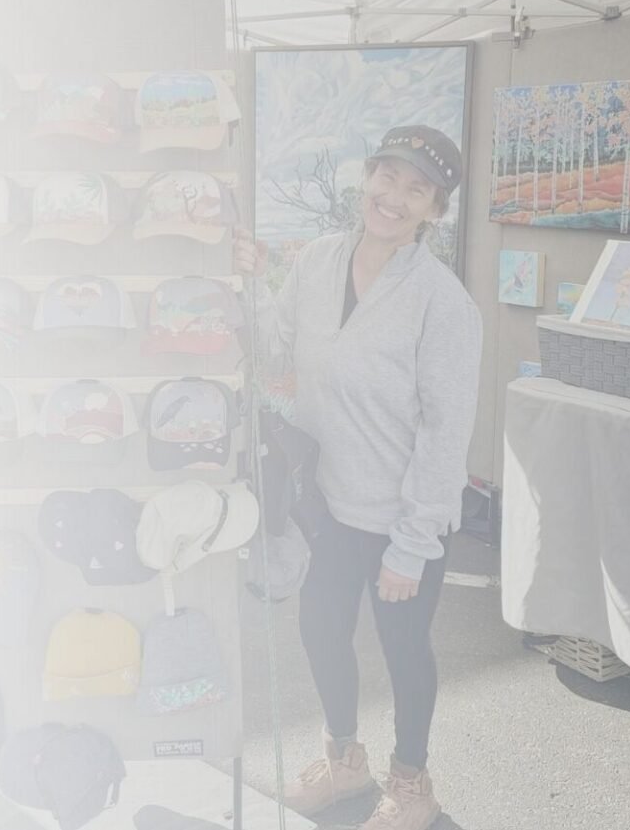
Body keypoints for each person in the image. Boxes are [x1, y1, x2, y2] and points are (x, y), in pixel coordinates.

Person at [235, 125, 482, 830]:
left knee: (405, 650)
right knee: (320, 630)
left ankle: (411, 785)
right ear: (365, 178)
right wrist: (251, 284)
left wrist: (411, 542)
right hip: (329, 504)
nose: (394, 197)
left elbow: (446, 430)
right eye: (388, 178)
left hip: (404, 514)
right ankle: (345, 761)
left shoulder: (442, 301)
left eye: (416, 189)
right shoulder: (317, 260)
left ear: (434, 209)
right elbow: (275, 348)